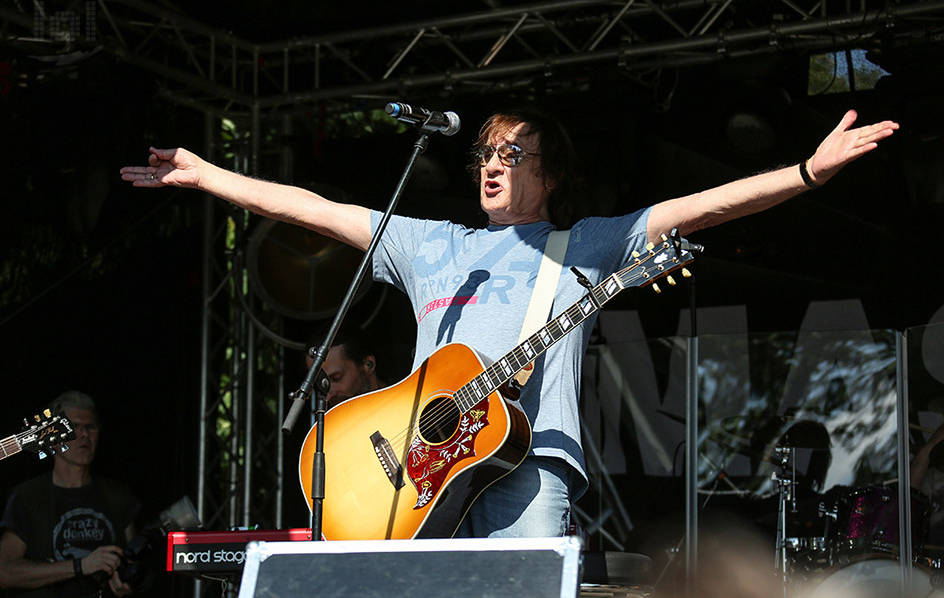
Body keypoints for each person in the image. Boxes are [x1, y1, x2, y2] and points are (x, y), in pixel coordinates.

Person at [120, 106, 897, 538]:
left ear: (549, 173)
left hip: (531, 469)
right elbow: (315, 211)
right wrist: (205, 173)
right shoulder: (433, 243)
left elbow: (706, 205)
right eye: (485, 153)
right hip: (417, 480)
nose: (492, 162)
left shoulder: (585, 244)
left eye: (512, 152)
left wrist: (805, 172)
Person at [0, 391, 140, 597]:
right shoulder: (28, 497)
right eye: (73, 427)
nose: (84, 434)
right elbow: (5, 572)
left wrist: (128, 582)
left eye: (90, 427)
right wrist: (81, 565)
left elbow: (136, 560)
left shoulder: (116, 495)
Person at [307, 323, 388, 409]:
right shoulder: (332, 421)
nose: (329, 396)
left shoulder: (401, 405)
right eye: (321, 385)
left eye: (336, 378)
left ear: (368, 365)